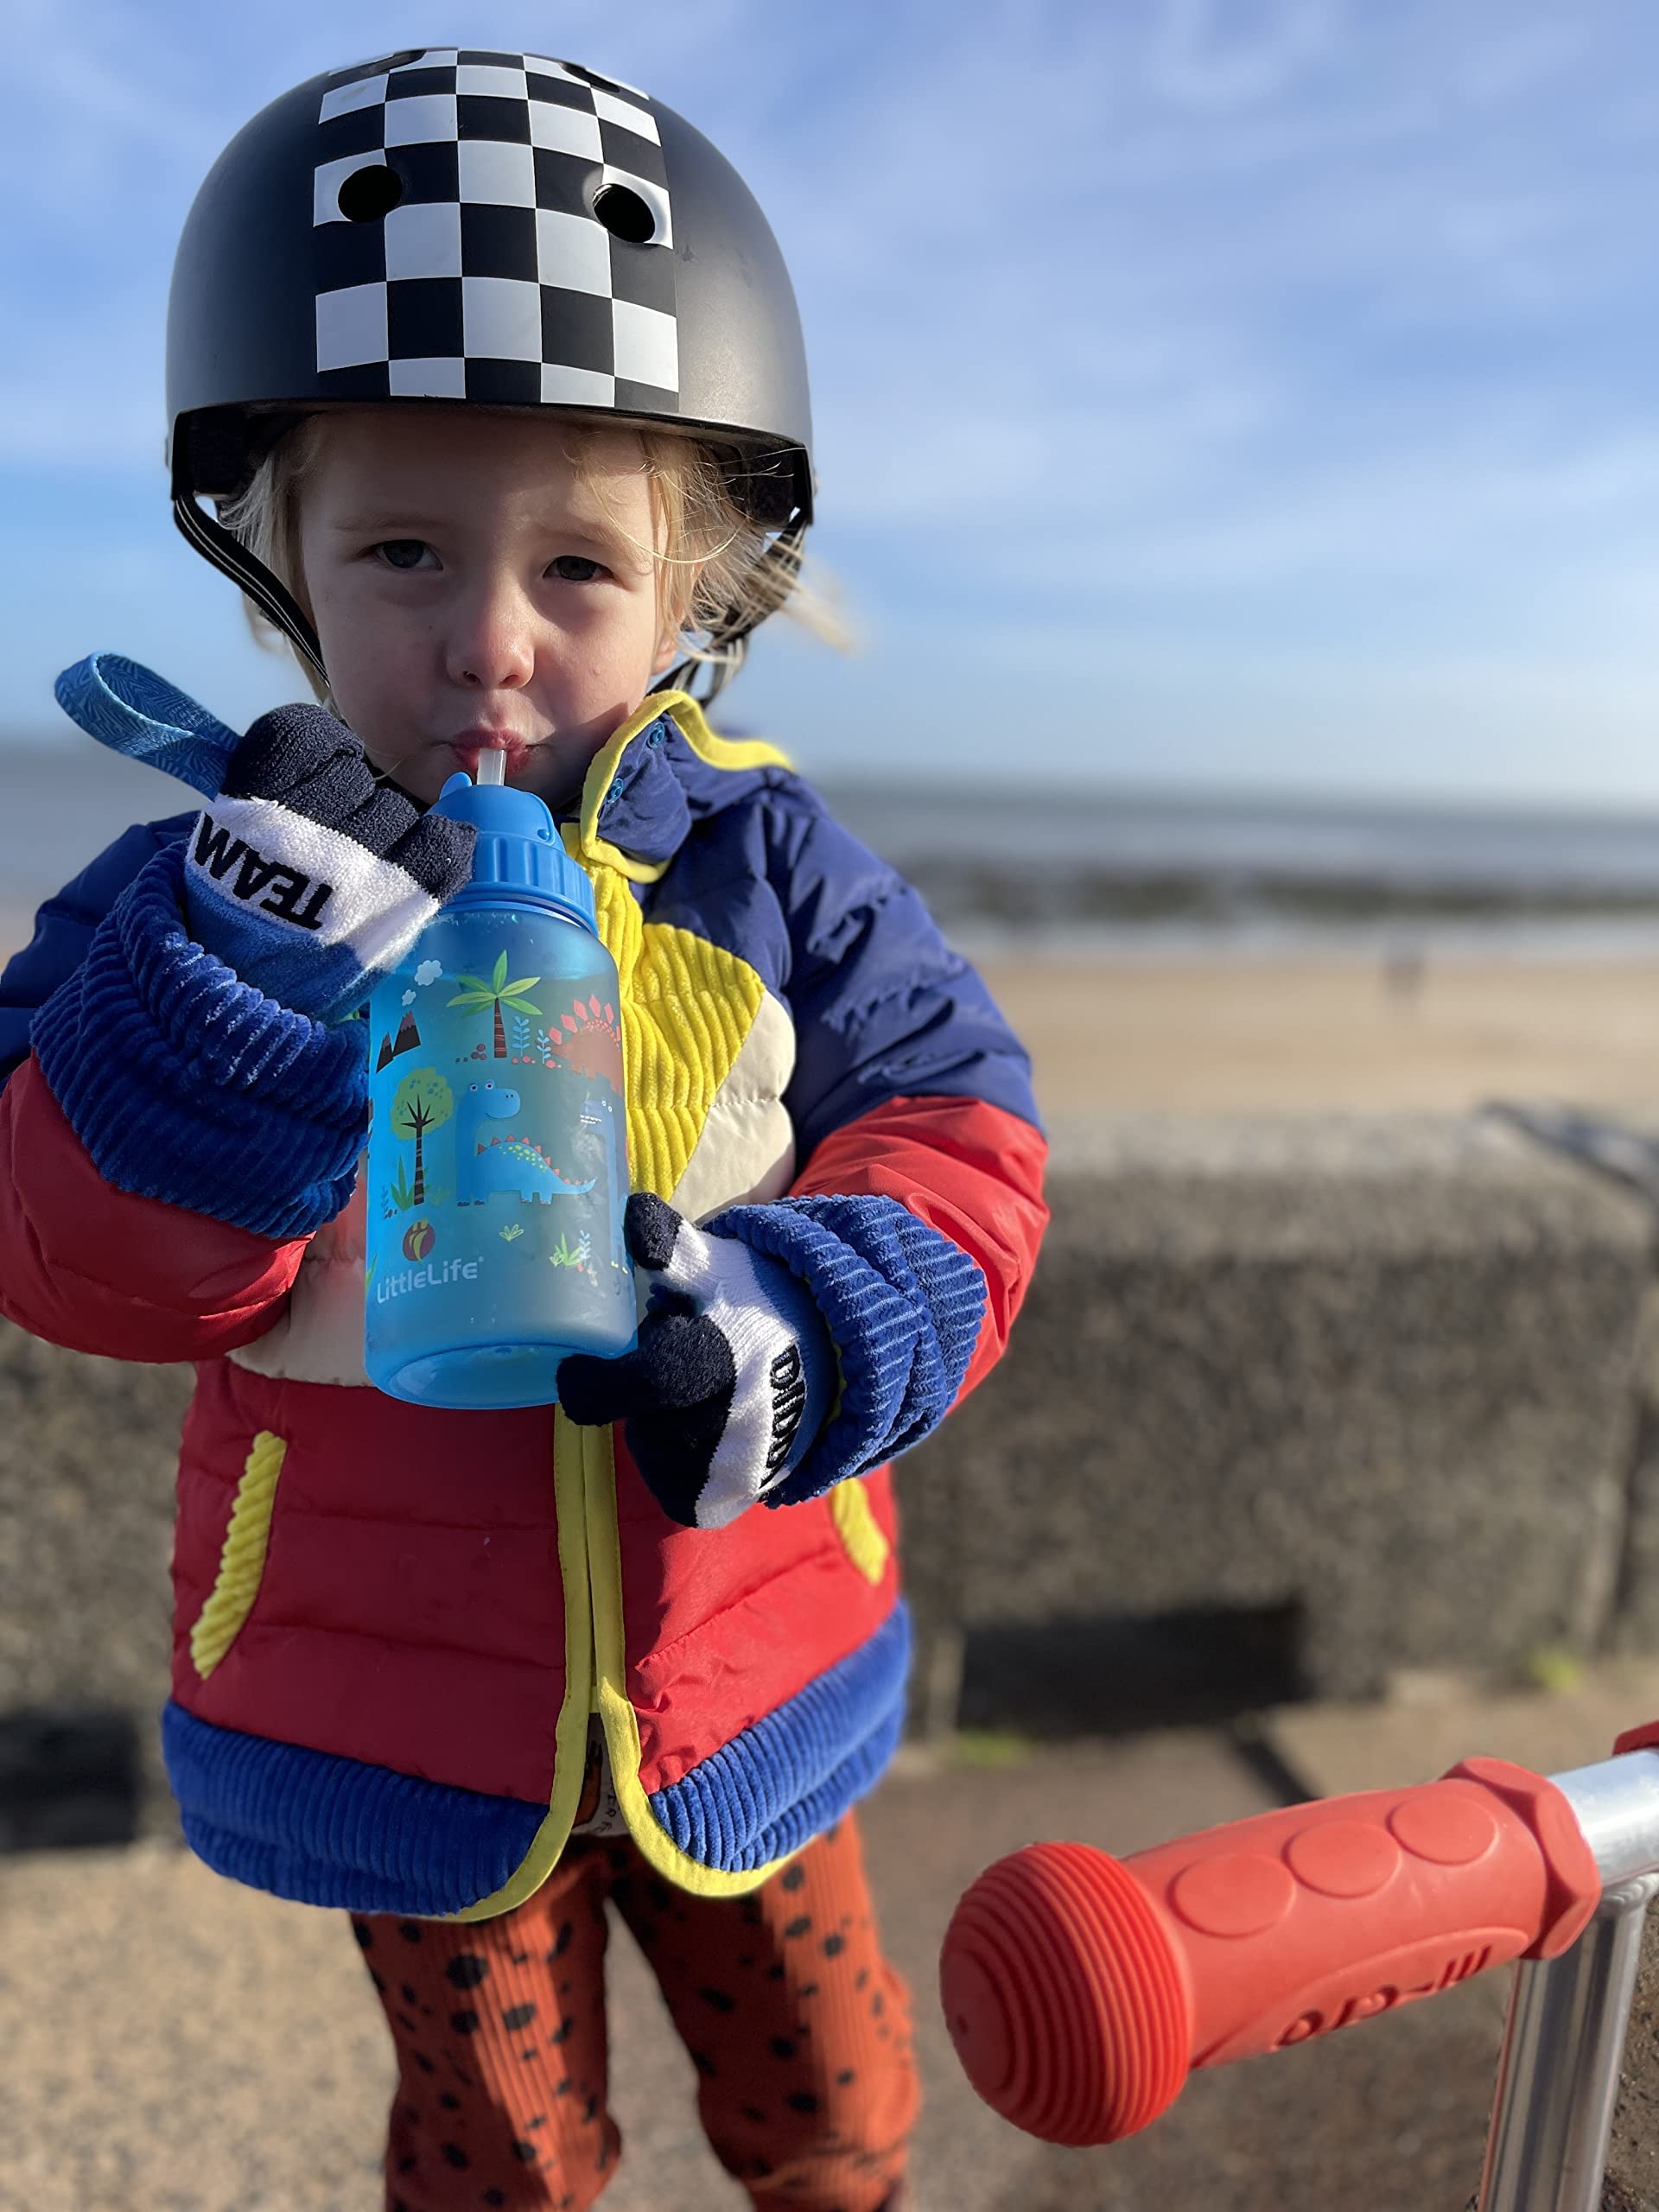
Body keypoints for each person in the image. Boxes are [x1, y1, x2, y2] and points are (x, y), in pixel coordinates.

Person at [0, 47, 1048, 2212]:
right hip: (398, 1712)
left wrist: (800, 1329)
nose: (487, 645)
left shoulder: (771, 870)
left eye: (578, 563)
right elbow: (66, 1245)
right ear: (277, 553)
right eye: (402, 547)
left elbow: (963, 1137)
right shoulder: (208, 884)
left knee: (832, 2092)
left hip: (744, 1668)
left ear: (705, 592)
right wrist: (246, 982)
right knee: (493, 2147)